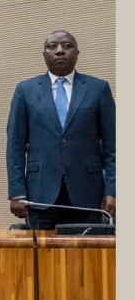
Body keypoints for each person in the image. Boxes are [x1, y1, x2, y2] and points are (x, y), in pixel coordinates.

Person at [6, 31, 116, 230]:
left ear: (77, 53)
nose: (59, 51)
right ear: (44, 54)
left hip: (88, 196)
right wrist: (17, 193)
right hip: (40, 196)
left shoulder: (98, 89)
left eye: (67, 46)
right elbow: (15, 146)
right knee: (41, 259)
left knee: (85, 259)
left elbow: (114, 147)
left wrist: (113, 191)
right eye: (52, 47)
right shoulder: (26, 90)